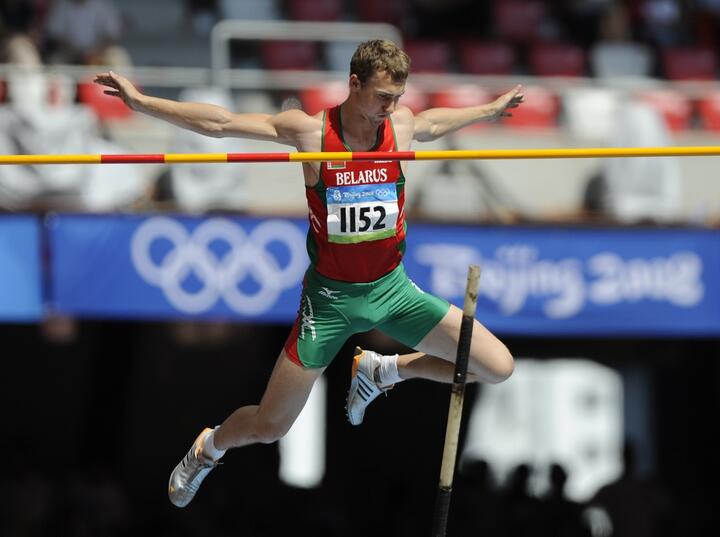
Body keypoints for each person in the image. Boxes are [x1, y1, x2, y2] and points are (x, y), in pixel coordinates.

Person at [94, 39, 522, 508]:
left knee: (496, 367)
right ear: (353, 84)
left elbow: (435, 122)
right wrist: (142, 102)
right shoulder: (310, 133)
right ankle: (207, 448)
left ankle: (385, 371)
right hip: (329, 304)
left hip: (393, 291)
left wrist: (490, 109)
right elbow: (219, 123)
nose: (390, 107)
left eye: (397, 97)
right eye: (381, 95)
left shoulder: (399, 124)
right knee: (268, 426)